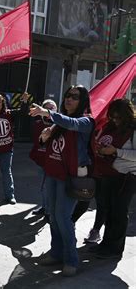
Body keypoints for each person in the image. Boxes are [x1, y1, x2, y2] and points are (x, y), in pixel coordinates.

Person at [30, 85, 94, 277]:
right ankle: (56, 252)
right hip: (53, 173)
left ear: (82, 100)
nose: (69, 99)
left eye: (74, 97)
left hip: (72, 177)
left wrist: (47, 112)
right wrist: (44, 137)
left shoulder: (86, 121)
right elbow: (47, 143)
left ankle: (71, 259)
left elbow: (71, 124)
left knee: (63, 218)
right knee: (52, 216)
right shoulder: (59, 123)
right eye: (67, 96)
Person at [91, 99, 135, 259]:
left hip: (126, 177)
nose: (115, 120)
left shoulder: (133, 129)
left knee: (119, 212)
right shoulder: (109, 127)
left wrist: (116, 151)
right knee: (108, 210)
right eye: (113, 117)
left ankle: (115, 248)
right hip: (107, 174)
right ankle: (106, 244)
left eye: (119, 118)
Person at [29, 99, 57, 218]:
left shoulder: (58, 123)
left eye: (52, 108)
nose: (50, 110)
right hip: (41, 159)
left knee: (48, 187)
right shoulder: (37, 122)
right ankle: (45, 207)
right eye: (47, 108)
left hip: (53, 161)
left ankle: (49, 211)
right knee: (43, 186)